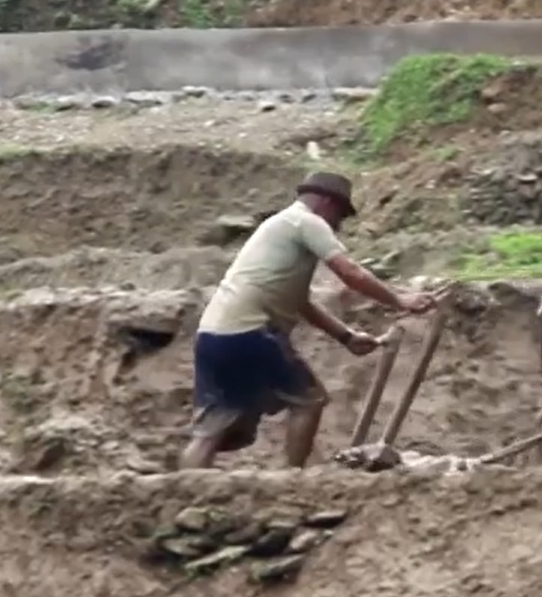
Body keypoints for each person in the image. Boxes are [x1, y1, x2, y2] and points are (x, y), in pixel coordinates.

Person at [178, 171, 437, 471]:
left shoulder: (278, 227)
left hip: (214, 335)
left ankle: (185, 492)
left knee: (211, 431)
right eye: (339, 215)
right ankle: (292, 480)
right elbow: (350, 272)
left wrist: (346, 337)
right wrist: (400, 300)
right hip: (251, 333)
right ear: (327, 202)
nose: (338, 225)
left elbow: (301, 302)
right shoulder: (306, 222)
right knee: (309, 401)